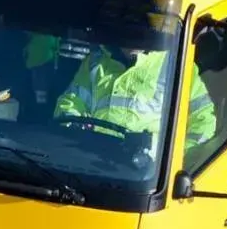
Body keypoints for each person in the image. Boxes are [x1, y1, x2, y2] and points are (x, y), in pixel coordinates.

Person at [52, 39, 216, 154]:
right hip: (94, 159)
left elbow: (203, 122)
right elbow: (70, 102)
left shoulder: (177, 65)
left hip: (148, 174)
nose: (136, 39)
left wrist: (176, 159)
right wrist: (73, 132)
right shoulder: (96, 61)